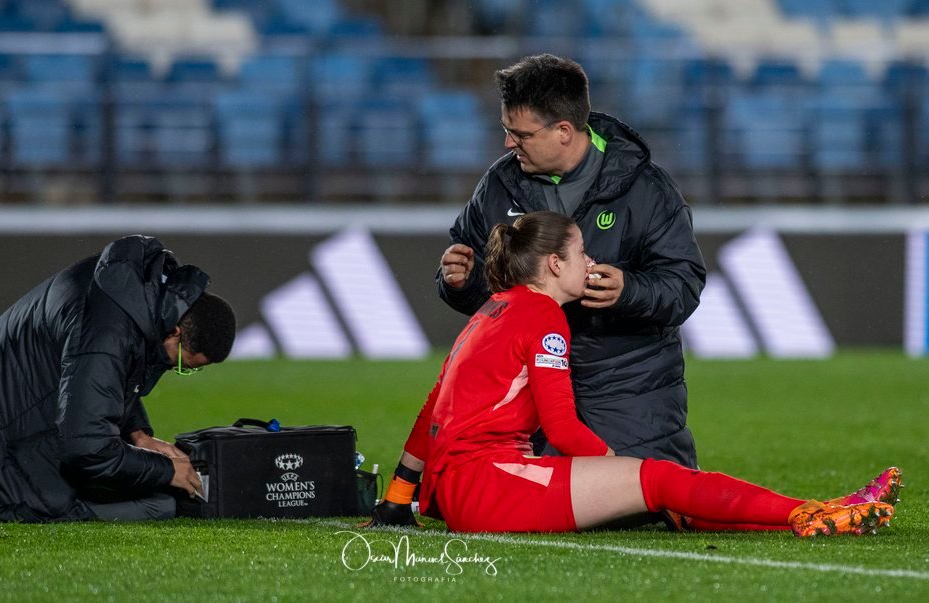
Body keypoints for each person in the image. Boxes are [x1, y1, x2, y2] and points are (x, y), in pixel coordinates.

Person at [373, 211, 900, 535]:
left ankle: (817, 514)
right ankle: (811, 512)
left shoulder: (492, 310)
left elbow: (433, 408)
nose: (589, 262)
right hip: (492, 489)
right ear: (554, 264)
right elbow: (561, 428)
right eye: (580, 252)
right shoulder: (543, 316)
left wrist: (399, 496)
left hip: (465, 488)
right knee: (657, 478)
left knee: (663, 492)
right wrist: (616, 466)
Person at [439, 53, 706, 469]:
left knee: (651, 496)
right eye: (506, 130)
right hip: (530, 387)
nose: (509, 143)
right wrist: (461, 282)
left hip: (628, 388)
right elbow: (489, 294)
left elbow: (683, 286)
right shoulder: (498, 185)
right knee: (514, 500)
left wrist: (628, 290)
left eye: (520, 134)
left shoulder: (647, 189)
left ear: (563, 131)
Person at [0, 235, 237, 523]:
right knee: (159, 504)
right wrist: (165, 471)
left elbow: (107, 377)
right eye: (182, 365)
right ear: (175, 332)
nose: (174, 369)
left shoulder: (135, 295)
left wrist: (139, 434)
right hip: (2, 421)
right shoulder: (109, 331)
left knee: (129, 470)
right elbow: (87, 449)